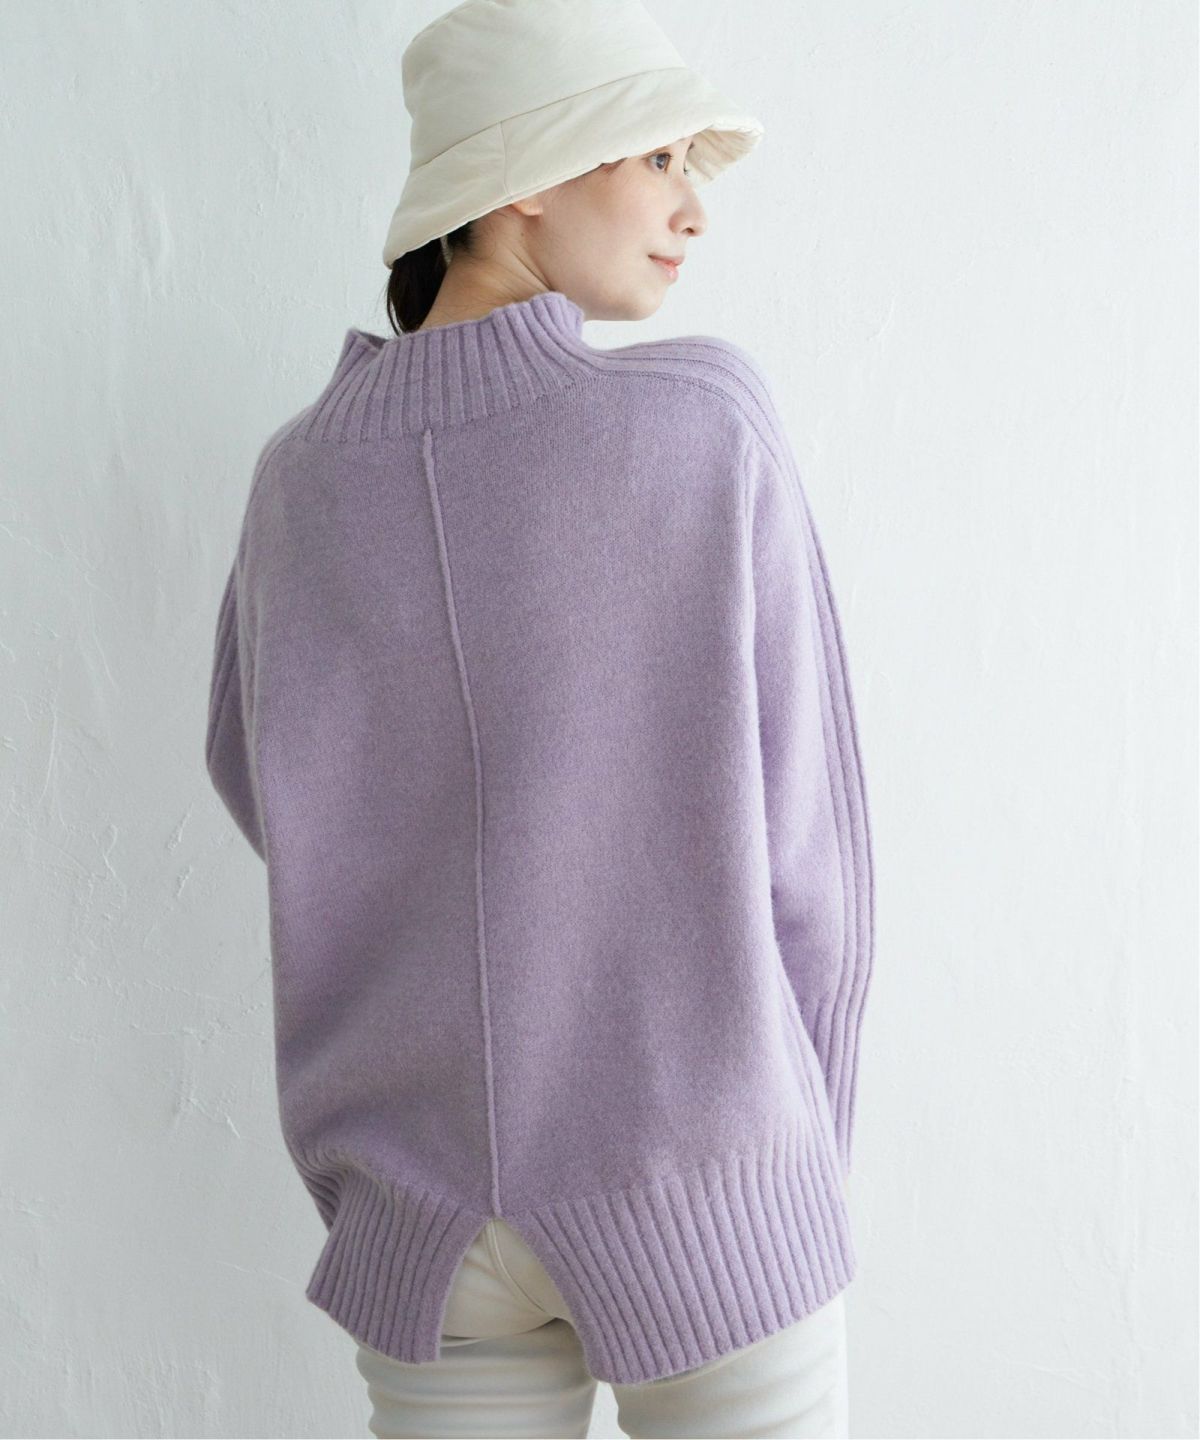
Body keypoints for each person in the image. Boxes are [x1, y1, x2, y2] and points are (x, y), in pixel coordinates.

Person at [204, 1, 876, 1436]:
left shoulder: (296, 481)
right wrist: (795, 1163)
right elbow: (813, 856)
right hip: (703, 1182)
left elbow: (267, 789)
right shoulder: (703, 421)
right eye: (658, 158)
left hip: (426, 1226)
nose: (693, 209)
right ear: (521, 179)